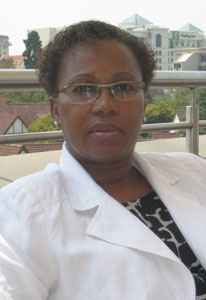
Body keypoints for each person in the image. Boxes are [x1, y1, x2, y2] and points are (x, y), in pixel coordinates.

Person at [0, 20, 205, 300]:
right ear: (55, 109)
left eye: (123, 87)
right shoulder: (18, 213)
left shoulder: (194, 170)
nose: (106, 105)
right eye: (83, 88)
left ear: (144, 103)